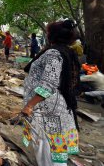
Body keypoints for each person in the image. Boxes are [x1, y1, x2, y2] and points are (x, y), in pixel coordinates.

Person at [21, 20, 80, 166]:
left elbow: (48, 84)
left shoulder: (54, 54)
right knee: (53, 152)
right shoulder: (62, 51)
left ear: (51, 36)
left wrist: (29, 106)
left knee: (48, 152)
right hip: (52, 108)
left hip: (47, 110)